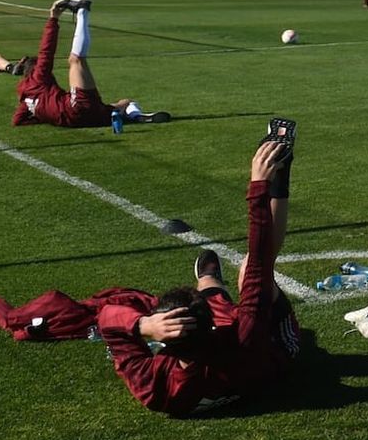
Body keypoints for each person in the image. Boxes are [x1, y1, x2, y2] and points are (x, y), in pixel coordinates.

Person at [97, 140, 301, 416]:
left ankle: (208, 280)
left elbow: (107, 318)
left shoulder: (157, 392)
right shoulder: (244, 340)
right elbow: (259, 263)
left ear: (163, 340)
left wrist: (143, 325)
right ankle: (209, 285)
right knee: (249, 270)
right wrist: (261, 184)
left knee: (223, 283)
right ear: (212, 325)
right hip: (275, 350)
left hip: (232, 366)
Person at [13, 0, 170, 128]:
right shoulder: (38, 77)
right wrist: (53, 19)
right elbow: (46, 51)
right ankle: (83, 10)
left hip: (82, 121)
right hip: (76, 108)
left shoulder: (25, 101)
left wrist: (45, 115)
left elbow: (17, 121)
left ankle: (134, 117)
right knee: (76, 60)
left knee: (124, 103)